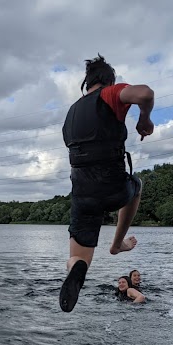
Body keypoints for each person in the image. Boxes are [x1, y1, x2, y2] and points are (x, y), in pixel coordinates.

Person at [59, 54, 155, 312]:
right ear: (109, 81)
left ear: (86, 82)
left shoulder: (71, 113)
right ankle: (116, 244)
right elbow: (145, 93)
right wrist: (144, 119)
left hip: (82, 196)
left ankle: (75, 268)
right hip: (113, 187)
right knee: (136, 185)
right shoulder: (111, 94)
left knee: (78, 258)